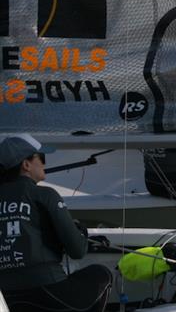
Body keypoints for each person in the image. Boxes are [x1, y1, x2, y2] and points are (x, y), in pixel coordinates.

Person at [0, 134, 112, 312]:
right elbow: (77, 251)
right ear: (26, 164)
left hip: (7, 297)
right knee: (101, 274)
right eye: (41, 158)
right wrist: (81, 233)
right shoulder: (45, 195)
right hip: (47, 291)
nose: (44, 163)